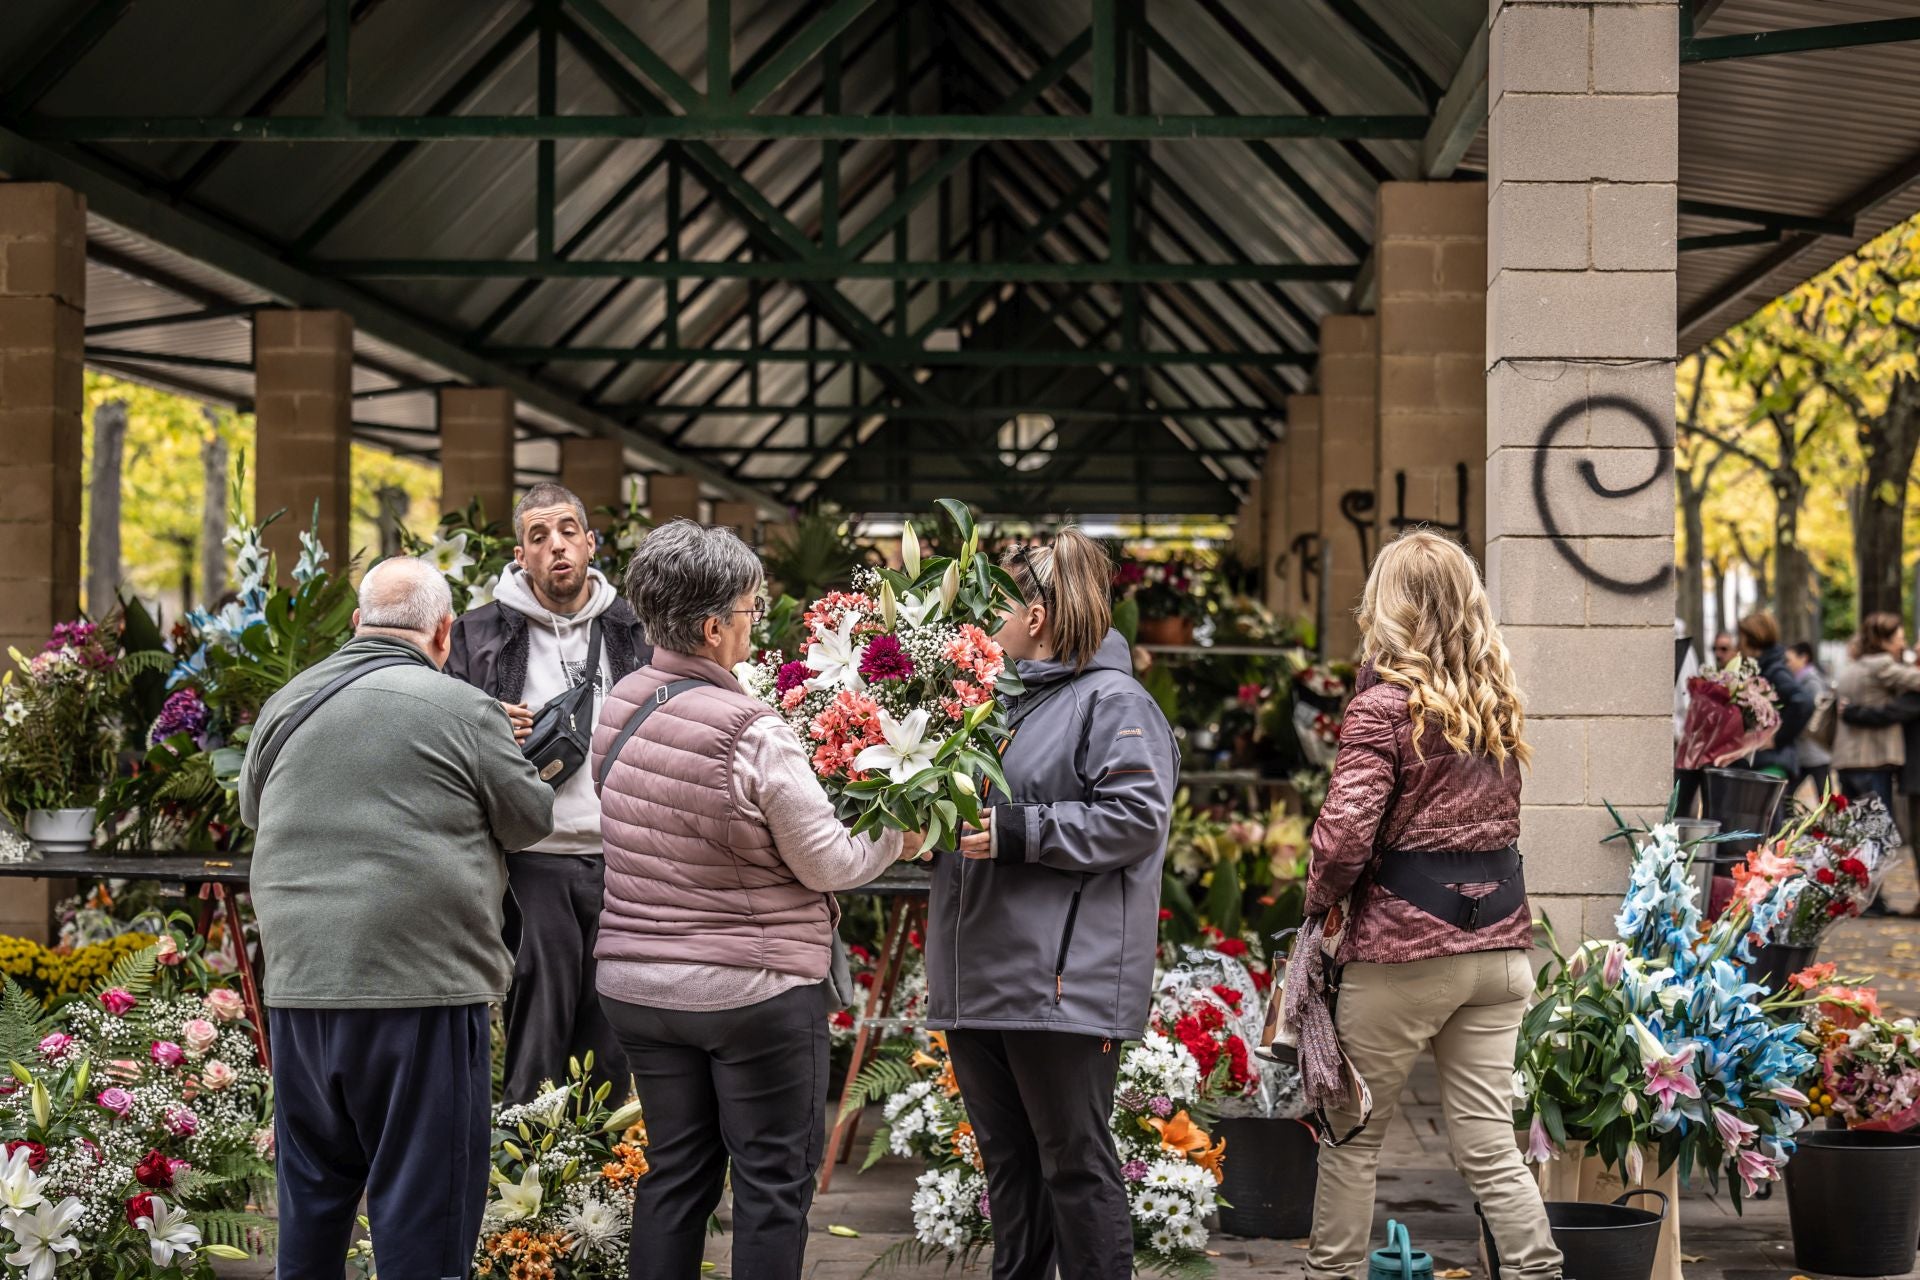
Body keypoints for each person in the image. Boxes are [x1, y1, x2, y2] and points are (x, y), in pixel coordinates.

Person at [592, 520, 924, 1280]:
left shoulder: (619, 707)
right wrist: (897, 841)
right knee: (774, 1187)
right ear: (713, 627)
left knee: (674, 1178)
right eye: (749, 609)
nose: (756, 620)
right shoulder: (751, 730)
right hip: (752, 990)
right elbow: (830, 864)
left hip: (637, 986)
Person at [240, 557, 555, 1280]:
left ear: (357, 625)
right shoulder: (464, 707)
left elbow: (255, 810)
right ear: (444, 633)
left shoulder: (287, 702)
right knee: (424, 1221)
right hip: (421, 994)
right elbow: (529, 819)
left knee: (313, 1206)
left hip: (299, 991)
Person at [1303, 530, 1561, 1280]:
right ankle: (1539, 1272)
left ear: (1390, 606)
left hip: (1401, 956)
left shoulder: (1383, 708)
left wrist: (1316, 905)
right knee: (1490, 1148)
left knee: (1351, 1140)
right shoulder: (1498, 704)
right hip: (1500, 952)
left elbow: (1344, 840)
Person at [928, 529, 1178, 1280]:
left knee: (1074, 1165)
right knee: (1009, 1172)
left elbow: (1137, 818)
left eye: (997, 607)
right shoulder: (996, 704)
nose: (984, 621)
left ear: (1035, 615)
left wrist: (1017, 830)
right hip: (981, 985)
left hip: (1060, 984)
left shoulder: (1112, 701)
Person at [448, 482, 651, 1104]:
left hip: (624, 857)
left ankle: (608, 1176)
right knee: (538, 1021)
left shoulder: (635, 628)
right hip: (532, 856)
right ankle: (527, 1176)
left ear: (591, 543)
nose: (556, 546)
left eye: (567, 532)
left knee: (616, 1019)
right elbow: (440, 725)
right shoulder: (477, 633)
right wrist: (481, 716)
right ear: (520, 554)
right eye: (539, 537)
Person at [1831, 612, 1920, 821]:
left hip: (1846, 762)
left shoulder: (1853, 667)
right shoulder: (1882, 665)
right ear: (1884, 640)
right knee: (1876, 836)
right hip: (1872, 761)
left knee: (1854, 833)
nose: (1904, 645)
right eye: (1900, 639)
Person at [1737, 611, 1812, 782]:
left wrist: (1777, 738)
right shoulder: (1766, 666)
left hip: (1773, 761)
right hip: (1768, 760)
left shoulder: (1774, 670)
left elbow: (1803, 702)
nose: (1739, 643)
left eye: (1741, 636)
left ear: (1752, 638)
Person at [1786, 641, 1833, 797]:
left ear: (1804, 658)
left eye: (1789, 660)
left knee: (1828, 801)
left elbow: (1817, 714)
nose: (1787, 664)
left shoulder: (1811, 682)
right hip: (1807, 752)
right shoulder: (1802, 681)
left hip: (1815, 751)